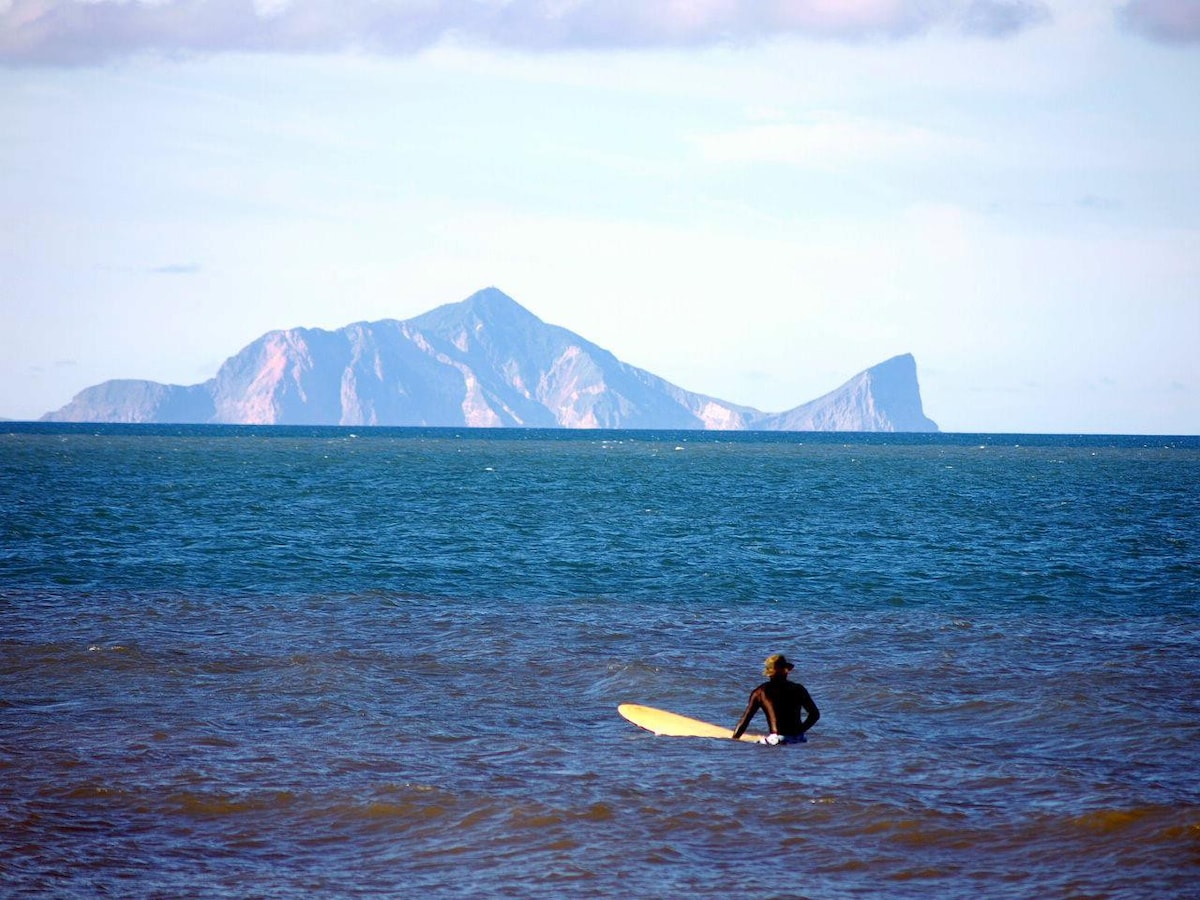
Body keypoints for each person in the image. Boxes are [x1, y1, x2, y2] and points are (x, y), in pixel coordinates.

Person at [731, 653, 820, 745]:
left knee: (754, 746)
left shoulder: (760, 692)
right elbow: (815, 714)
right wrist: (800, 730)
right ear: (786, 670)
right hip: (799, 738)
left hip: (778, 740)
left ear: (769, 673)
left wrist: (733, 742)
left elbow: (745, 720)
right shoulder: (798, 689)